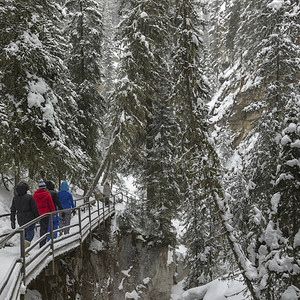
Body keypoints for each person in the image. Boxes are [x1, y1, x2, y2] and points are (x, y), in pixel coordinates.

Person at [10, 182, 39, 250]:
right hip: (30, 218)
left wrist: (12, 221)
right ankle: (25, 248)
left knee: (24, 233)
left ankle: (24, 249)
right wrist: (38, 217)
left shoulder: (15, 198)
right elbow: (34, 209)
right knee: (30, 233)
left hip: (20, 218)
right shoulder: (29, 197)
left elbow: (13, 210)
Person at [33, 179, 56, 247]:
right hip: (46, 213)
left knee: (42, 228)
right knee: (45, 228)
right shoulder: (47, 194)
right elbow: (51, 204)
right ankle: (43, 244)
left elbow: (33, 204)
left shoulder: (35, 195)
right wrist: (54, 212)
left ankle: (42, 242)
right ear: (44, 187)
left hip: (39, 213)